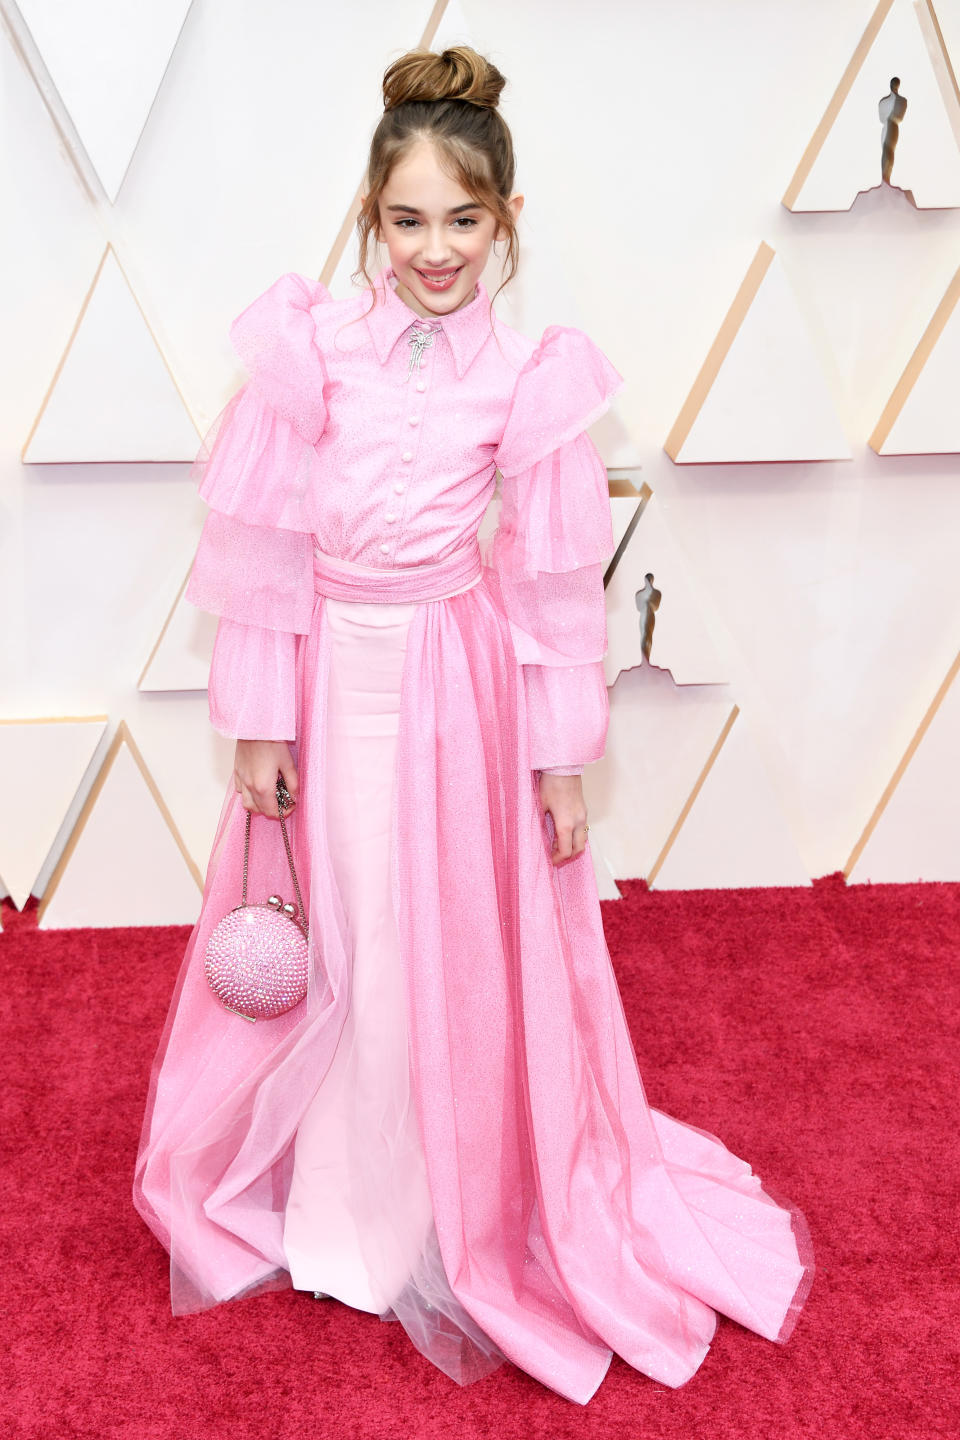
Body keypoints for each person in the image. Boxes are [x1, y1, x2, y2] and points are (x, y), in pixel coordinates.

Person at [133, 44, 814, 1406]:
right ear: (369, 218)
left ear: (507, 222)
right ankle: (333, 1196)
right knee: (350, 916)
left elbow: (555, 588)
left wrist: (562, 754)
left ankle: (443, 1204)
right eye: (406, 219)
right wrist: (261, 723)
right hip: (331, 675)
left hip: (458, 684)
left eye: (464, 219)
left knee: (446, 934)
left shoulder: (531, 378)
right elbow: (264, 556)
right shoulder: (310, 350)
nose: (434, 250)